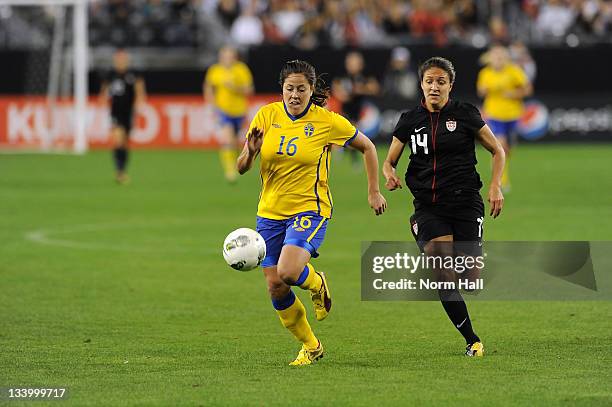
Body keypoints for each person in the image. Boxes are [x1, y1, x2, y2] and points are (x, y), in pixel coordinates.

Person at [237, 60, 387, 366]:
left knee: (289, 272)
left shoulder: (327, 121)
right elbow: (241, 167)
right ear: (282, 89)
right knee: (275, 287)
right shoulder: (266, 115)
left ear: (311, 90)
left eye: (301, 89)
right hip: (269, 213)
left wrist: (373, 191)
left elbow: (368, 147)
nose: (294, 95)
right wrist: (251, 151)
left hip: (310, 208)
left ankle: (317, 283)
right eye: (289, 89)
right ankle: (311, 345)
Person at [383, 57, 505, 357]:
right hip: (429, 207)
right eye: (429, 81)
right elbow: (389, 161)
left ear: (450, 85)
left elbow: (497, 150)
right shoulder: (410, 119)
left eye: (440, 82)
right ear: (421, 84)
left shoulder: (465, 114)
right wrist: (390, 175)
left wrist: (494, 185)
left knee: (470, 279)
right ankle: (472, 340)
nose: (434, 87)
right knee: (443, 273)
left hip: (465, 204)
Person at [477, 45, 532, 192]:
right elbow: (481, 91)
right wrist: (485, 90)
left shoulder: (514, 71)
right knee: (499, 146)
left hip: (513, 115)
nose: (498, 60)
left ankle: (503, 174)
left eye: (501, 57)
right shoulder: (485, 73)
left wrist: (513, 94)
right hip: (494, 115)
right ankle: (500, 180)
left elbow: (527, 89)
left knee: (508, 150)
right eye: (495, 57)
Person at [204, 45, 254, 183]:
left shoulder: (241, 69)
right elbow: (208, 86)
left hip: (239, 111)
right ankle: (230, 172)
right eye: (224, 56)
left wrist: (235, 88)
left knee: (235, 143)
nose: (226, 59)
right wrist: (211, 103)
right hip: (223, 110)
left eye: (229, 56)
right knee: (227, 139)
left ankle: (236, 164)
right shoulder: (215, 70)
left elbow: (249, 90)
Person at [99, 49, 146, 184]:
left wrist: (138, 106)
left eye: (123, 59)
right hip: (115, 112)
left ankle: (122, 170)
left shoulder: (134, 74)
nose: (120, 62)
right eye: (118, 60)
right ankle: (119, 172)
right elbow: (103, 91)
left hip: (129, 112)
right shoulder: (110, 74)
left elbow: (140, 91)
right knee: (118, 140)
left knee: (125, 143)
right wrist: (103, 100)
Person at [332, 51, 380, 167]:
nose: (352, 65)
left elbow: (375, 88)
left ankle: (352, 156)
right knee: (348, 130)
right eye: (350, 62)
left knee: (354, 133)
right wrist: (344, 95)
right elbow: (336, 89)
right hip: (345, 109)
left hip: (359, 109)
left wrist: (360, 89)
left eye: (355, 62)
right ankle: (344, 152)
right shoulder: (342, 75)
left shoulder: (364, 76)